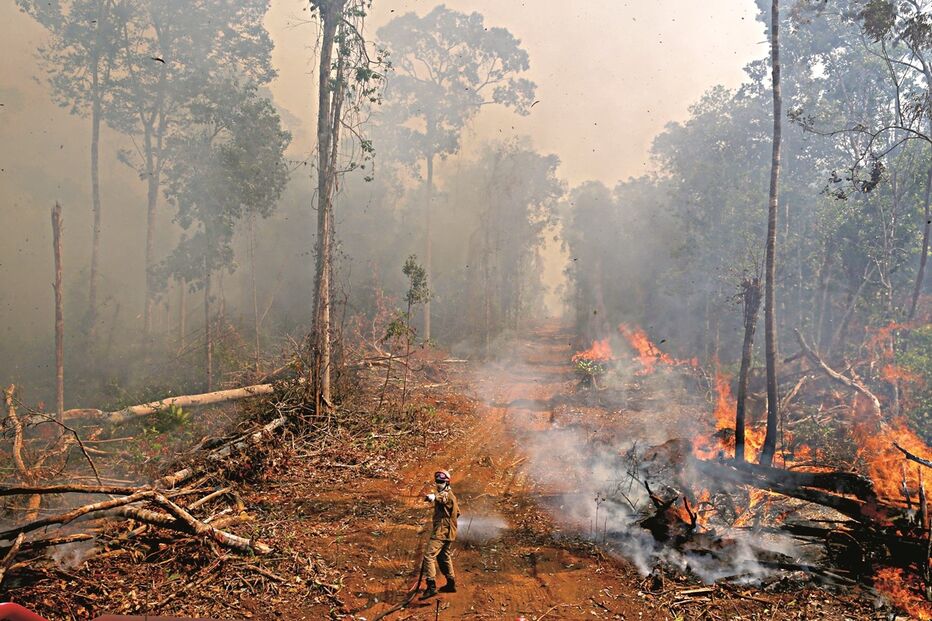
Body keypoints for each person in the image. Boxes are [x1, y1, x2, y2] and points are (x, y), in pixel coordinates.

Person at [420, 469, 460, 599]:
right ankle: (451, 583)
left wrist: (433, 497)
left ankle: (431, 586)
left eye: (441, 482)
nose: (438, 484)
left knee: (429, 556)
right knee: (443, 557)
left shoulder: (447, 495)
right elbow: (457, 513)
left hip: (441, 532)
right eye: (437, 481)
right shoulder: (449, 495)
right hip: (448, 532)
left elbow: (443, 498)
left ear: (447, 483)